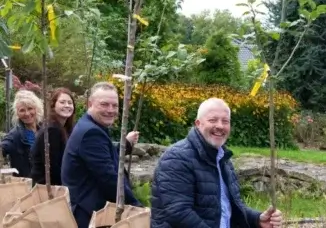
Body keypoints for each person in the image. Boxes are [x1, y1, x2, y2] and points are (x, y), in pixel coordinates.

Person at [151, 98, 283, 228]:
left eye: (225, 121)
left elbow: (229, 207)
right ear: (198, 124)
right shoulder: (177, 158)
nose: (220, 126)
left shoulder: (223, 160)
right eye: (213, 120)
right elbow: (179, 213)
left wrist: (257, 219)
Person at [61, 82, 142, 228]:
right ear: (90, 104)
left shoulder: (91, 126)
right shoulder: (91, 133)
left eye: (115, 105)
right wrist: (136, 206)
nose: (110, 110)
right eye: (104, 104)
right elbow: (108, 177)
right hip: (87, 213)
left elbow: (105, 158)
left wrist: (126, 144)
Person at [31, 88, 75, 185]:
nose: (67, 105)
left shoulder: (65, 129)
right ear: (53, 105)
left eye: (70, 102)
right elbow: (53, 168)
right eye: (62, 102)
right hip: (47, 189)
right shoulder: (52, 131)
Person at [0, 90, 43, 177]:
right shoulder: (14, 136)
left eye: (30, 108)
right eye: (22, 110)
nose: (27, 114)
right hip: (25, 186)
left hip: (45, 184)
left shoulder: (44, 130)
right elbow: (3, 147)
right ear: (17, 113)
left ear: (36, 109)